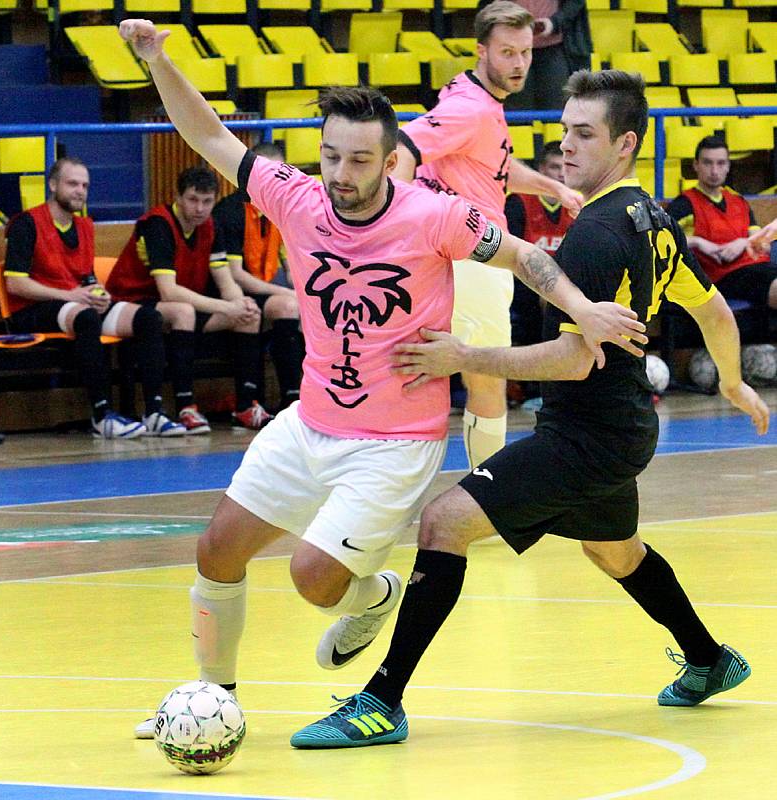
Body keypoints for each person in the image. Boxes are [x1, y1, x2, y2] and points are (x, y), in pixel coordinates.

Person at [119, 20, 646, 740]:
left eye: (359, 159)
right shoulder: (296, 197)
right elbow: (210, 135)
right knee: (216, 550)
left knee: (313, 581)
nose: (340, 172)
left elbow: (524, 257)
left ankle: (373, 594)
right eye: (330, 155)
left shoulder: (432, 215)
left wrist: (582, 308)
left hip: (392, 442)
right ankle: (210, 698)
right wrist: (157, 61)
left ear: (391, 159)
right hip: (309, 421)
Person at [291, 70, 771, 749]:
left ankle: (381, 700)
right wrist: (729, 381)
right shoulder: (653, 215)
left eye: (583, 133)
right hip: (622, 424)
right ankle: (707, 659)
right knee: (615, 551)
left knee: (443, 522)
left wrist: (464, 357)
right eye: (563, 130)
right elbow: (713, 309)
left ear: (624, 142)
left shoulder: (594, 238)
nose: (565, 146)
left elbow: (572, 360)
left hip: (587, 433)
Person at [394, 1, 584, 469]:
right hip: (472, 254)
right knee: (485, 375)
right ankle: (487, 490)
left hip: (457, 250)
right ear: (483, 50)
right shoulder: (470, 108)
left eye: (524, 53)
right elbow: (401, 147)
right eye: (507, 53)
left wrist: (549, 184)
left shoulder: (470, 95)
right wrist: (393, 217)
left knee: (418, 369)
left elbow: (490, 168)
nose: (519, 63)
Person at [4, 156, 185, 439]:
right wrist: (70, 295)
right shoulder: (26, 224)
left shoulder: (85, 226)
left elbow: (85, 276)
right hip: (32, 308)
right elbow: (15, 283)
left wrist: (98, 294)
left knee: (149, 317)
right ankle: (101, 416)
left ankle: (153, 413)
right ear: (52, 185)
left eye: (85, 185)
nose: (80, 190)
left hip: (74, 303)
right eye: (72, 183)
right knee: (86, 317)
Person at [107, 166, 273, 433]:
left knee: (248, 315)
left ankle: (245, 406)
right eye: (193, 200)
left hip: (185, 304)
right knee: (183, 311)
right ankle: (186, 407)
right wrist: (226, 306)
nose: (200, 208)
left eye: (207, 202)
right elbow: (168, 291)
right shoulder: (158, 224)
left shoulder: (210, 225)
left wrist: (240, 303)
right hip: (135, 301)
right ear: (179, 197)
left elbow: (225, 280)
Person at [212, 142, 304, 412]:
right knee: (281, 304)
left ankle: (292, 399)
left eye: (279, 171)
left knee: (293, 307)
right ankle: (247, 402)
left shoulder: (282, 209)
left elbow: (288, 260)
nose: (273, 178)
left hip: (267, 290)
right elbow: (236, 276)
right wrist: (290, 293)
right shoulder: (230, 211)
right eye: (266, 170)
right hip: (229, 290)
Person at [667, 136, 777, 313]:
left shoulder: (738, 201)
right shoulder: (685, 204)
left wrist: (743, 243)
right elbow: (661, 240)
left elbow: (762, 243)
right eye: (708, 163)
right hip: (722, 276)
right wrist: (696, 241)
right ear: (696, 165)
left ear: (728, 166)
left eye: (720, 163)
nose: (714, 170)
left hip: (758, 267)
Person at [505, 140, 573, 404]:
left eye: (564, 167)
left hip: (559, 286)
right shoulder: (519, 203)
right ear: (541, 169)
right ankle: (528, 387)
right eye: (554, 167)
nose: (560, 174)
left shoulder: (575, 206)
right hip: (523, 286)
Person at [480, 0, 592, 111]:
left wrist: (554, 23)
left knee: (556, 112)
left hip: (554, 47)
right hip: (511, 49)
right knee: (517, 114)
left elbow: (575, 3)